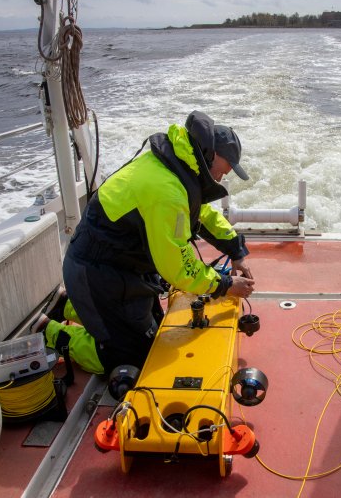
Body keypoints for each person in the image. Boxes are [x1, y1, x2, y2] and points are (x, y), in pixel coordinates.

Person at [39, 111, 255, 375]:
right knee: (131, 357)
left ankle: (68, 305)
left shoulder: (178, 167)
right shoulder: (167, 191)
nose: (222, 177)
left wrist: (236, 250)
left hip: (121, 269)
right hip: (96, 273)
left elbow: (204, 215)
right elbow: (178, 268)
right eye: (224, 169)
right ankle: (49, 331)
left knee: (155, 330)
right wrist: (226, 284)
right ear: (209, 154)